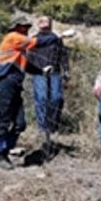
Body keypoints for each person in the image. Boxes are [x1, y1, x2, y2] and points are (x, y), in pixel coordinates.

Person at [0, 15, 59, 170]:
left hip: (14, 85)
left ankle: (5, 150)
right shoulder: (13, 37)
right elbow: (39, 42)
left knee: (20, 123)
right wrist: (59, 36)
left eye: (28, 27)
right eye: (24, 26)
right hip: (5, 83)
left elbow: (27, 66)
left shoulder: (18, 48)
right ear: (15, 27)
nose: (27, 29)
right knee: (4, 120)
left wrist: (41, 71)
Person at [27, 16, 71, 155]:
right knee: (41, 98)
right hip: (39, 72)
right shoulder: (34, 38)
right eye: (40, 21)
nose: (42, 23)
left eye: (45, 20)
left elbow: (63, 55)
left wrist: (67, 70)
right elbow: (28, 56)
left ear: (51, 24)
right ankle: (42, 128)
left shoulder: (57, 39)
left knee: (57, 98)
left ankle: (52, 124)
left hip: (55, 72)